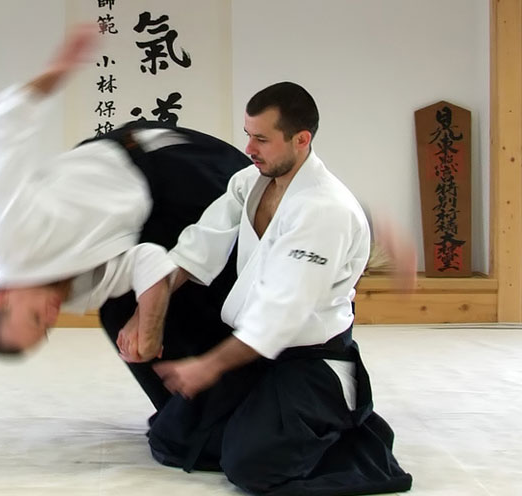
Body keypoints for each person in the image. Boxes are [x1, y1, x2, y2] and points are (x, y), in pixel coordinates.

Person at [119, 82, 414, 495]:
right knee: (173, 439)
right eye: (248, 135)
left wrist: (208, 366)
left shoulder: (324, 210)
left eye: (261, 139)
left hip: (310, 361)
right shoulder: (250, 182)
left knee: (252, 466)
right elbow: (196, 248)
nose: (249, 148)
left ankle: (347, 424)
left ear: (301, 139)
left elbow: (280, 315)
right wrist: (144, 310)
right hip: (255, 353)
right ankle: (264, 420)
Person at [0, 26, 249, 362]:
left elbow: (1, 128)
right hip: (150, 217)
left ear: (3, 298)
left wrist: (60, 68)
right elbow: (148, 261)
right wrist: (147, 330)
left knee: (252, 223)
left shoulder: (12, 232)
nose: (52, 317)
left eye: (35, 317)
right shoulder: (76, 294)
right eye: (46, 327)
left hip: (154, 162)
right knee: (134, 320)